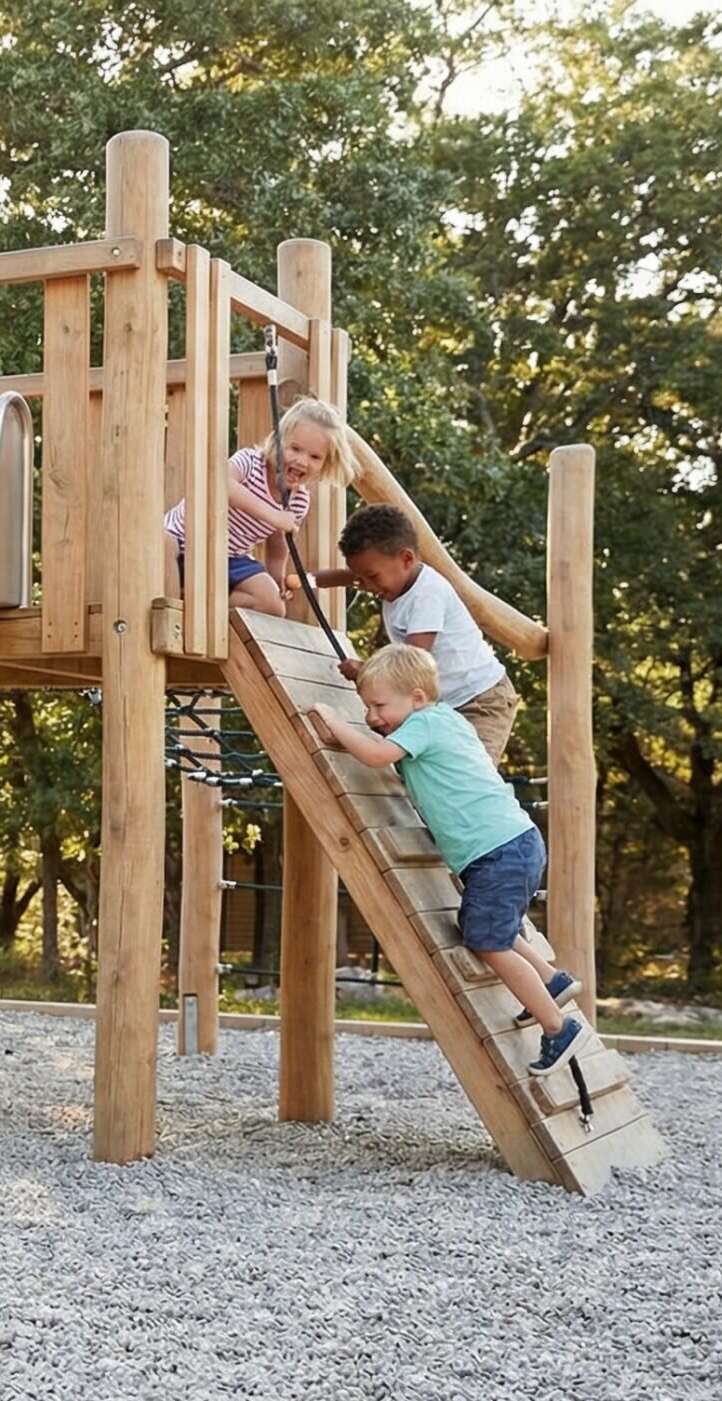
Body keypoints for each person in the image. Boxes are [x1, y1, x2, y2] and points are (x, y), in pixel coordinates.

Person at [314, 645, 587, 1074]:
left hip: (498, 851)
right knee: (488, 926)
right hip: (511, 844)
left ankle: (557, 1029)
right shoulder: (444, 722)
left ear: (418, 698)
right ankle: (553, 983)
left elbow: (375, 756)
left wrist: (334, 722)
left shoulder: (423, 725)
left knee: (486, 941)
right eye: (367, 707)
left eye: (379, 706)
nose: (371, 717)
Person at [312, 502, 522, 761]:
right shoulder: (390, 578)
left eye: (371, 577)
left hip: (479, 700)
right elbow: (346, 576)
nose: (365, 586)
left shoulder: (427, 594)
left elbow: (412, 664)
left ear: (407, 559)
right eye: (360, 579)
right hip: (441, 703)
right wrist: (304, 580)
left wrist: (365, 670)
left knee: (468, 772)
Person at [162, 396, 361, 613]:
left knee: (273, 605)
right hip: (183, 540)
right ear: (277, 441)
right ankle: (172, 612)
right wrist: (273, 515)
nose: (302, 461)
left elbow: (277, 549)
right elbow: (221, 483)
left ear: (326, 464)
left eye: (315, 456)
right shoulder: (250, 462)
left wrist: (278, 581)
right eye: (294, 448)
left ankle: (197, 604)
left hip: (229, 558)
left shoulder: (299, 501)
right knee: (163, 543)